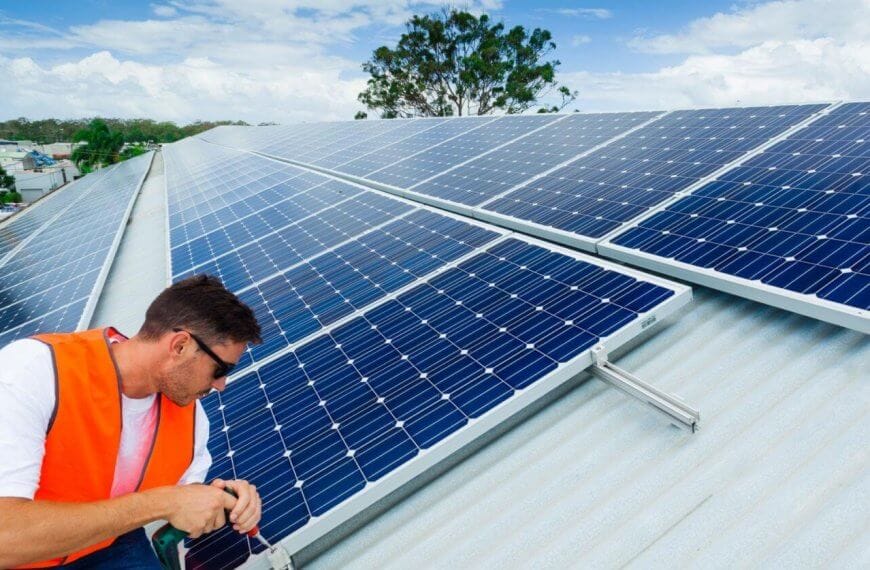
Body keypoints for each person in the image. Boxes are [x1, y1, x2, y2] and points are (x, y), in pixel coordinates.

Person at [0, 275, 264, 568]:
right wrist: (162, 503)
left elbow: (186, 499)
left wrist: (224, 498)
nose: (221, 385)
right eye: (220, 368)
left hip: (110, 544)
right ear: (179, 346)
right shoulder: (34, 371)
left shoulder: (191, 420)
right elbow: (5, 537)